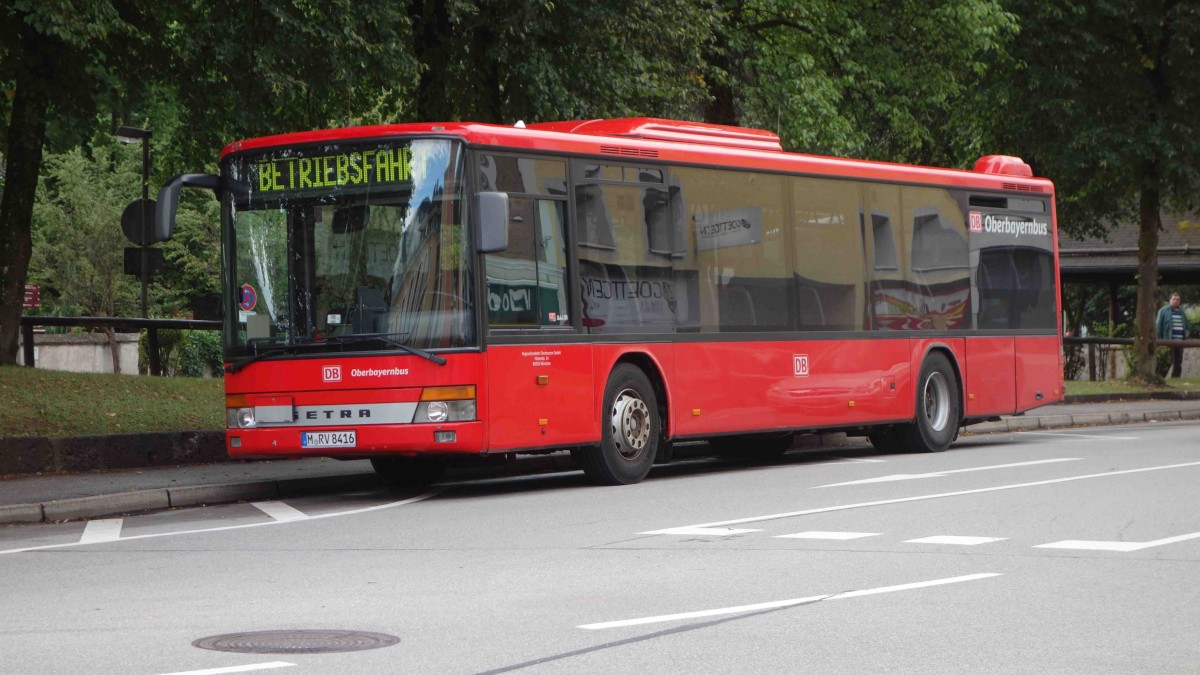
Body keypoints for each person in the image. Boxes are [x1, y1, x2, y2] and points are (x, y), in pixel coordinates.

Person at [1155, 292, 1191, 378]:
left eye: (1178, 299)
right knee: (1167, 361)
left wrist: (1187, 332)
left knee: (1178, 361)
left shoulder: (1181, 311)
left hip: (1180, 341)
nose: (1176, 301)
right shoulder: (1163, 311)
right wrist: (1160, 341)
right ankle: (1161, 377)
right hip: (1168, 341)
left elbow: (1187, 325)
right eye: (1174, 299)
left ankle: (1176, 378)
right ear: (1170, 300)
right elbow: (1158, 326)